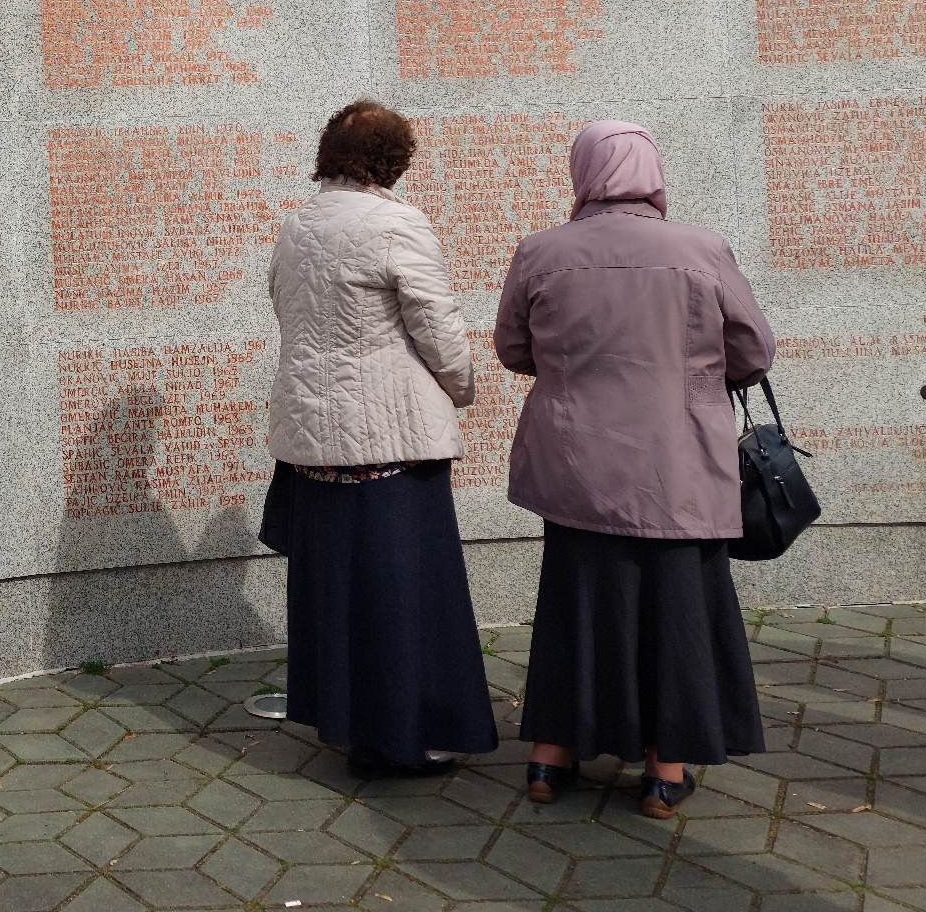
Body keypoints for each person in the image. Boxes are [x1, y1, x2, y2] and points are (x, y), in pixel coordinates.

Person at [495, 120, 774, 819]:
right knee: (677, 608)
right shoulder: (700, 248)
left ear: (583, 172)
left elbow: (513, 349)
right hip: (678, 463)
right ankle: (662, 769)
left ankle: (551, 757)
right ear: (651, 171)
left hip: (576, 465)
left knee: (574, 602)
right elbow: (754, 351)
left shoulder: (541, 252)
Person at [266, 99, 500, 776]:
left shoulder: (296, 226)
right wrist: (462, 386)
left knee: (339, 593)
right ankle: (414, 736)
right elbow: (436, 324)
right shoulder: (398, 224)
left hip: (313, 442)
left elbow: (284, 307)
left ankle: (350, 727)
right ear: (393, 160)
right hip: (390, 438)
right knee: (406, 592)